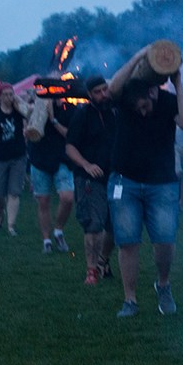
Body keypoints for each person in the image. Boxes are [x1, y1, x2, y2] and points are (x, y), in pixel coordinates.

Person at [107, 47, 183, 318]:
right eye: (137, 109)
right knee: (128, 242)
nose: (142, 112)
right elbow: (112, 88)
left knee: (165, 241)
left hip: (162, 183)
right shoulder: (125, 97)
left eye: (144, 106)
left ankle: (163, 284)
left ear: (153, 93)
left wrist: (179, 84)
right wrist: (136, 58)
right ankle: (130, 299)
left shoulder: (168, 102)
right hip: (125, 180)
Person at [66, 75, 117, 285]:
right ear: (89, 94)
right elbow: (70, 146)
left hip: (114, 176)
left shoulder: (114, 112)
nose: (103, 94)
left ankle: (103, 261)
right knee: (94, 224)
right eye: (98, 91)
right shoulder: (83, 114)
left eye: (105, 89)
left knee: (115, 225)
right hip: (89, 178)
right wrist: (86, 164)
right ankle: (91, 270)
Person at [29, 99, 75, 255]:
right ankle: (46, 240)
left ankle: (58, 230)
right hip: (39, 159)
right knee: (43, 201)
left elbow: (70, 134)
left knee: (67, 197)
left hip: (62, 159)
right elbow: (30, 128)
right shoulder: (37, 105)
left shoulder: (70, 107)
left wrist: (53, 119)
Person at [0, 83, 28, 236]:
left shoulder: (19, 113)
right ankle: (0, 215)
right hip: (0, 158)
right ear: (0, 96)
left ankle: (11, 225)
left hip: (18, 157)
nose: (9, 97)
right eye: (6, 94)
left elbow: (28, 122)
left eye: (11, 94)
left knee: (14, 192)